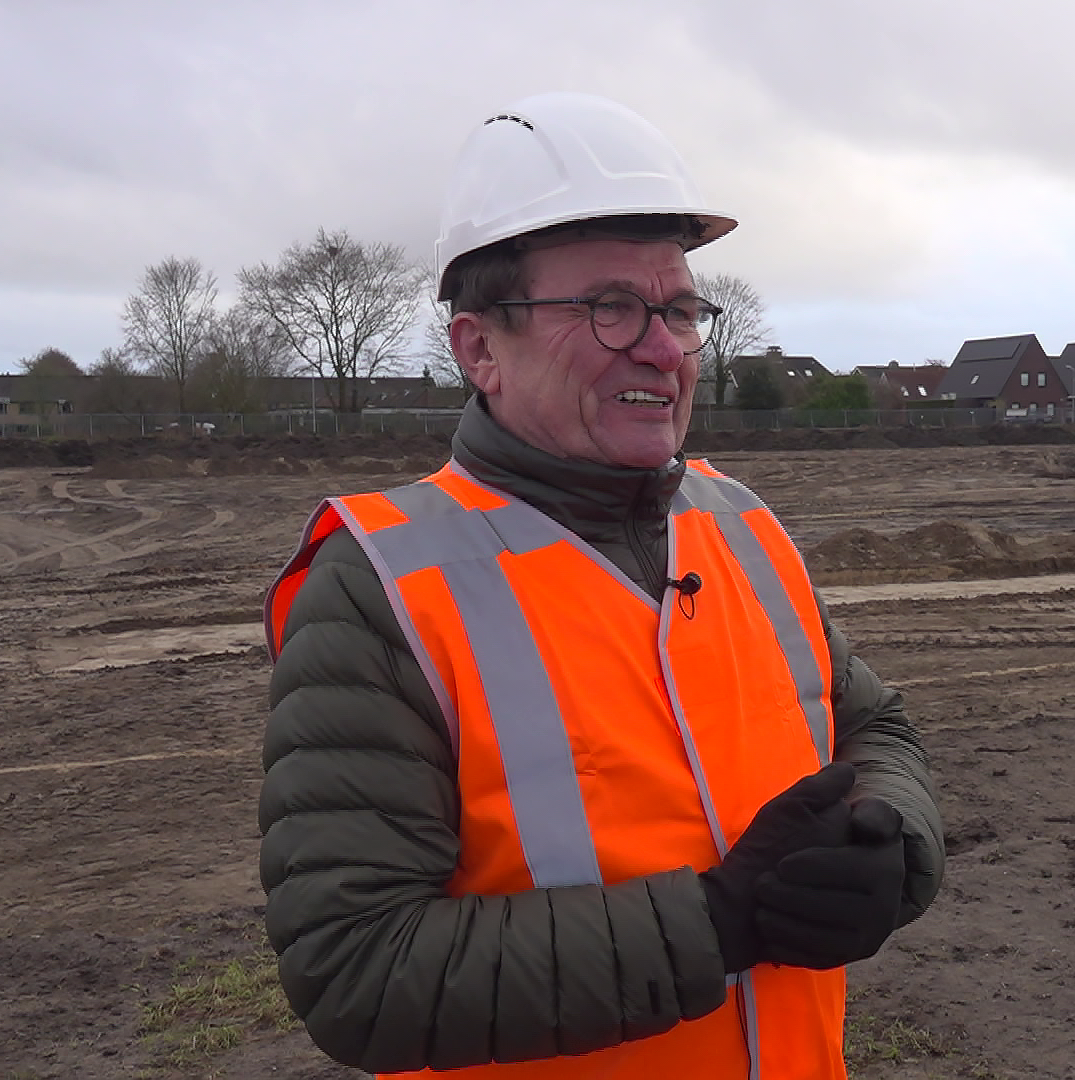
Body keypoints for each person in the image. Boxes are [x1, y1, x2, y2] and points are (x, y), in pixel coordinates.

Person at [258, 92, 945, 1079]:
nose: (662, 348)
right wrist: (722, 921)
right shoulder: (381, 587)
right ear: (479, 349)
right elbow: (357, 972)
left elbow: (873, 727)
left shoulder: (740, 524)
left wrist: (895, 842)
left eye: (676, 309)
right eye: (609, 308)